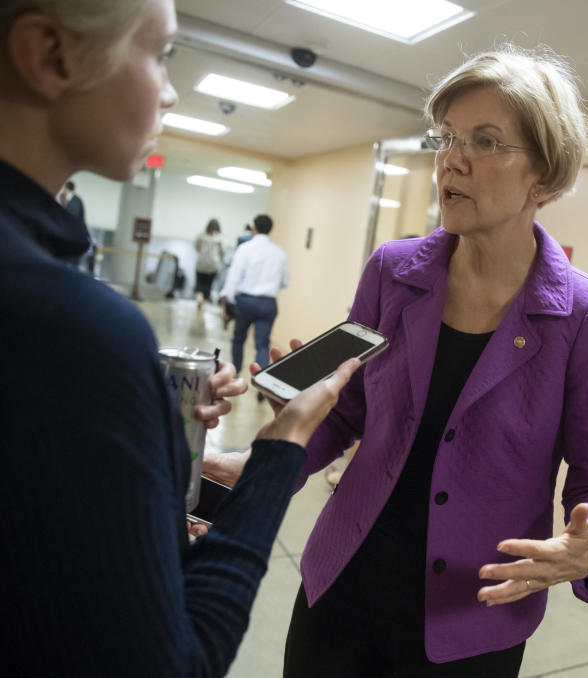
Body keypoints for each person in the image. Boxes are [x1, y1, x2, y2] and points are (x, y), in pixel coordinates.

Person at [205, 45, 588, 676]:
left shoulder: (586, 314)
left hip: (474, 613)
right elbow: (348, 407)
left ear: (542, 178)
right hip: (342, 582)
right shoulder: (393, 271)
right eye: (449, 138)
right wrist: (268, 460)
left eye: (486, 142)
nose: (453, 160)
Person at [0, 1, 358, 675]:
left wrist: (150, 440)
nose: (169, 91)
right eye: (161, 55)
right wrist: (281, 448)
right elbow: (179, 661)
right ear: (50, 54)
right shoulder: (77, 328)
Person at [220, 213, 289, 375]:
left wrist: (226, 302)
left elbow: (233, 277)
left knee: (239, 339)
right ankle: (261, 377)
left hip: (245, 301)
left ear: (253, 228)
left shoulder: (245, 249)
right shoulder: (279, 253)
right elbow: (285, 282)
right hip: (268, 303)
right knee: (263, 344)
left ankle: (236, 372)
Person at [57, 179, 89, 266]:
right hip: (72, 237)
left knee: (71, 262)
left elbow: (72, 216)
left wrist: (63, 205)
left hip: (74, 237)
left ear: (67, 188)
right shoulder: (71, 200)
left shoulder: (75, 201)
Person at [194, 217, 224, 307]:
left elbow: (196, 248)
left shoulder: (201, 236)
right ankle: (205, 301)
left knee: (199, 283)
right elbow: (221, 252)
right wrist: (221, 259)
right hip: (212, 265)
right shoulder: (219, 238)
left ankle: (199, 298)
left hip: (201, 263)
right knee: (208, 284)